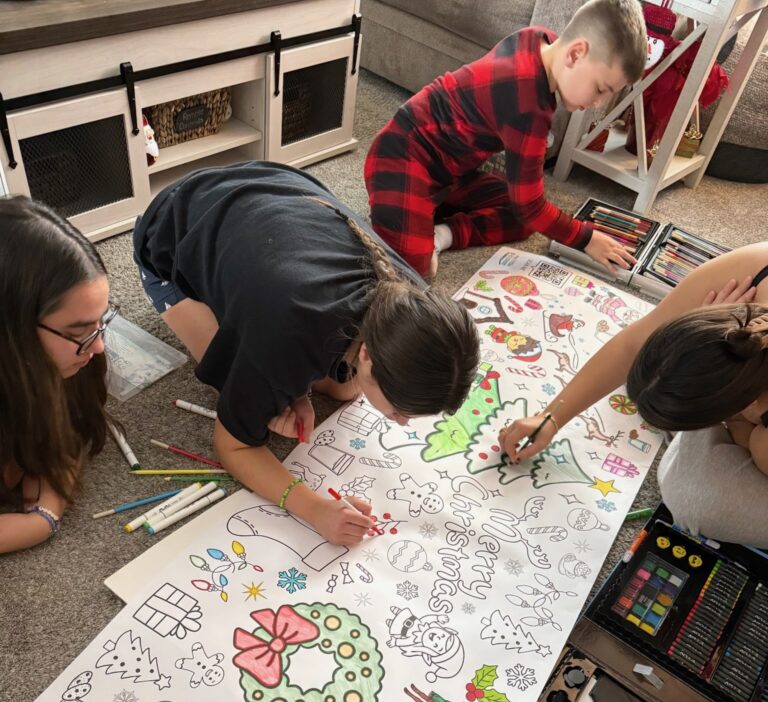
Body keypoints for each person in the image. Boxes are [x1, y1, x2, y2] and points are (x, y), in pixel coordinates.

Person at [133, 161, 479, 547]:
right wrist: (315, 509)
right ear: (367, 353)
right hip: (172, 222)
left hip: (265, 184)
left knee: (344, 390)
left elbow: (329, 363)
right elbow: (234, 446)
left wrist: (297, 390)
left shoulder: (409, 296)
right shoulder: (286, 331)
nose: (400, 422)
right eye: (400, 410)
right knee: (261, 406)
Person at [499, 242, 768, 546]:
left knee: (692, 499)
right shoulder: (753, 266)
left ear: (742, 406)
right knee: (658, 382)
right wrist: (550, 416)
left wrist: (741, 424)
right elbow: (633, 345)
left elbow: (754, 447)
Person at [364, 0, 647, 279]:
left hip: (448, 172)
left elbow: (526, 207)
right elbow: (531, 204)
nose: (598, 103)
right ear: (575, 54)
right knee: (413, 272)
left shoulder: (539, 38)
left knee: (524, 220)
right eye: (600, 89)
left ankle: (440, 233)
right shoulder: (527, 104)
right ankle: (408, 223)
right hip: (400, 161)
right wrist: (585, 239)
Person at [0, 196, 113, 555]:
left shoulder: (72, 358)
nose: (99, 348)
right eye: (78, 331)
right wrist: (42, 519)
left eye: (101, 321)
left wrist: (51, 460)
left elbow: (78, 425)